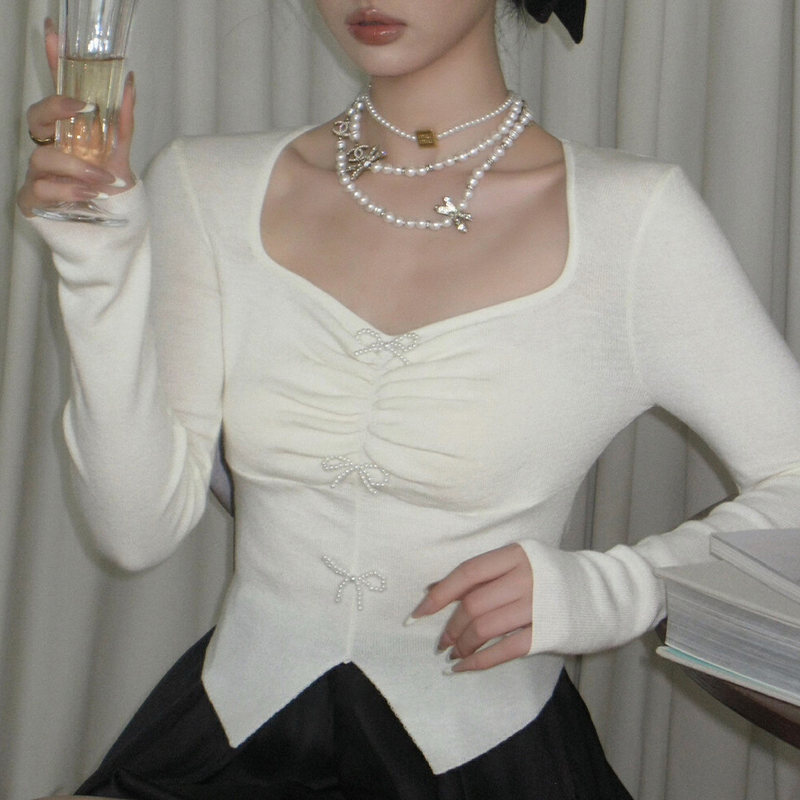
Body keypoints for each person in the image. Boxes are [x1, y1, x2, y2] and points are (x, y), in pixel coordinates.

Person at [17, 1, 800, 798]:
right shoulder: (207, 184)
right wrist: (96, 263)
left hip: (490, 759)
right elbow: (134, 532)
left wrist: (611, 593)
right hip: (227, 745)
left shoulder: (630, 221)